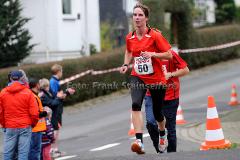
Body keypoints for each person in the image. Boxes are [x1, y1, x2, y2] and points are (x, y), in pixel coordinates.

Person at [120, 3, 172, 154]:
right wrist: (125, 64)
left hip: (156, 78)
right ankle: (139, 141)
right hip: (138, 76)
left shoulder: (155, 35)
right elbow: (129, 51)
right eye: (134, 15)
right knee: (136, 104)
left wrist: (153, 54)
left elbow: (168, 54)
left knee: (157, 113)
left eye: (140, 15)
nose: (137, 18)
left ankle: (163, 134)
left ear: (146, 18)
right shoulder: (130, 37)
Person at [145, 50, 189, 153]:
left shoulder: (170, 54)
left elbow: (185, 70)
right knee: (151, 123)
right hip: (151, 95)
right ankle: (160, 151)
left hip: (170, 96)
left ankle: (172, 155)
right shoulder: (146, 54)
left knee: (170, 130)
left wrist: (170, 74)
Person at [0, 70, 39, 160]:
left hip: (10, 126)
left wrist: (4, 124)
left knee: (8, 153)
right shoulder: (28, 93)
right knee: (23, 154)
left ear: (10, 78)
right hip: (25, 126)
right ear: (22, 78)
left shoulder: (3, 93)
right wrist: (32, 124)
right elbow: (34, 113)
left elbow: (0, 112)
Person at [39, 77, 66, 158]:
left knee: (53, 133)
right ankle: (51, 152)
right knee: (51, 134)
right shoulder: (43, 95)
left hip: (51, 116)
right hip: (47, 118)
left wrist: (60, 96)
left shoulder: (47, 93)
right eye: (48, 86)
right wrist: (58, 98)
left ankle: (53, 151)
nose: (49, 87)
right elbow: (52, 103)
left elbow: (54, 100)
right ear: (45, 86)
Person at [28, 78, 47, 160]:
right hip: (35, 128)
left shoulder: (34, 95)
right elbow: (34, 113)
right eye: (39, 84)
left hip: (36, 128)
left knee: (35, 150)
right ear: (36, 85)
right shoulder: (33, 96)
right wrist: (44, 113)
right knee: (35, 151)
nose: (40, 85)